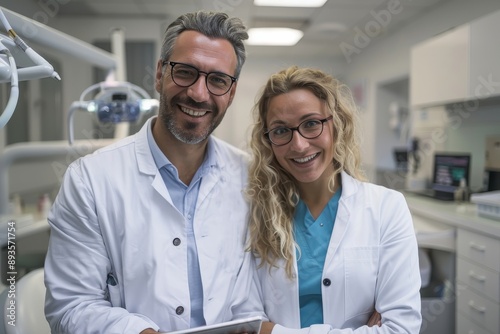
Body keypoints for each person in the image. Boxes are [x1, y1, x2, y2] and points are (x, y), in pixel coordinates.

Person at [44, 11, 264, 334]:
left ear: (231, 93)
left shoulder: (250, 177)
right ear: (160, 74)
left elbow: (261, 292)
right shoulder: (89, 180)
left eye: (217, 80)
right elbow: (70, 307)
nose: (199, 94)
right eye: (186, 72)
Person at [246, 66, 422, 334]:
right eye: (281, 131)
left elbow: (401, 329)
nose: (299, 145)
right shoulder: (255, 213)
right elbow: (245, 321)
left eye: (311, 124)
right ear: (268, 140)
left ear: (336, 124)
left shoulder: (387, 208)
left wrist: (274, 331)